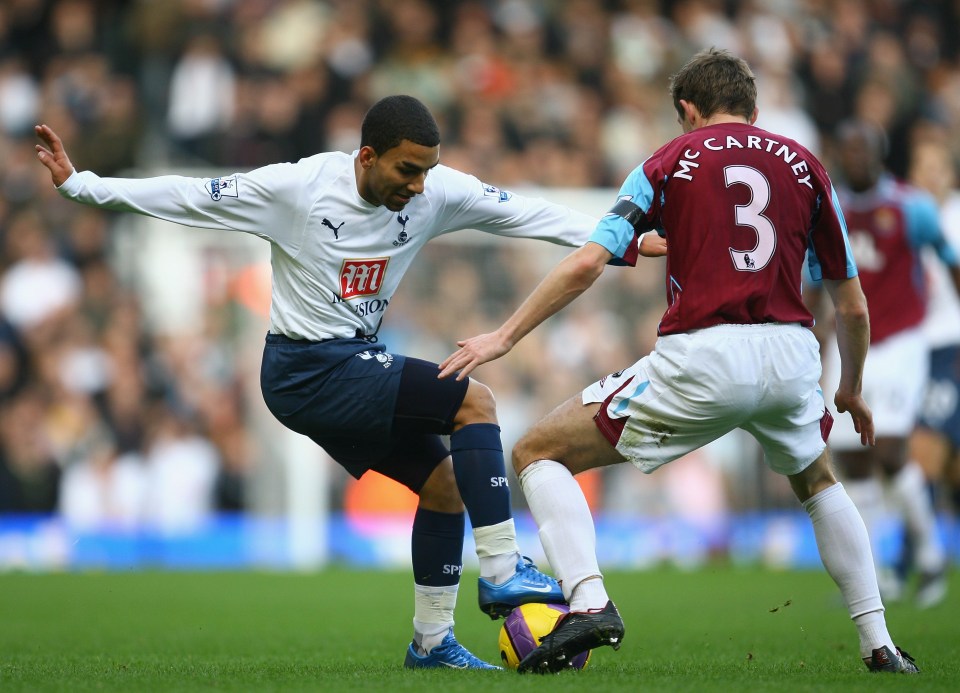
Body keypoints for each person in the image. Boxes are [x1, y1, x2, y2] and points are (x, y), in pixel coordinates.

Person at [34, 95, 608, 669]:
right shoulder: (298, 189)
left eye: (428, 170)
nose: (418, 185)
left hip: (352, 363)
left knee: (444, 485)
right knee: (473, 399)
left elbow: (528, 214)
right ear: (366, 156)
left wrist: (621, 240)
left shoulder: (434, 193)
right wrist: (82, 185)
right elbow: (188, 197)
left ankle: (431, 644)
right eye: (407, 170)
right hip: (303, 369)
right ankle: (504, 568)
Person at [439, 48, 918, 674]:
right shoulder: (807, 168)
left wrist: (504, 335)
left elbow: (588, 262)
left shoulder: (669, 161)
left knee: (536, 451)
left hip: (705, 354)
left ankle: (588, 603)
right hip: (791, 357)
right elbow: (851, 307)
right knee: (817, 480)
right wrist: (850, 388)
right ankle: (878, 643)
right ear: (753, 108)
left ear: (687, 110)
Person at [809, 121, 960, 608]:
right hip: (850, 340)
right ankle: (878, 574)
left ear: (879, 153)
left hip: (900, 340)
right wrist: (810, 329)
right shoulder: (827, 209)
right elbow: (814, 275)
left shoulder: (910, 207)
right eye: (848, 149)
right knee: (851, 460)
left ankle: (931, 554)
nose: (855, 158)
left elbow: (946, 256)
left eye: (863, 149)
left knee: (892, 451)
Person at [907, 139, 960, 595]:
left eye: (937, 166)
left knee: (927, 457)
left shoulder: (956, 218)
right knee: (923, 461)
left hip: (952, 348)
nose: (930, 175)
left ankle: (924, 566)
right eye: (922, 166)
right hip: (914, 349)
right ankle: (922, 566)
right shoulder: (907, 215)